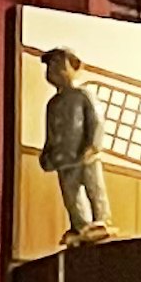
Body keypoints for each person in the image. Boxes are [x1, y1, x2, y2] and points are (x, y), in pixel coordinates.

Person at [37, 46, 109, 240]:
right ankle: (80, 225)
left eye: (58, 65)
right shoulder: (53, 103)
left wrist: (94, 145)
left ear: (73, 66)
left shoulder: (84, 95)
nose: (53, 71)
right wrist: (48, 152)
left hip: (85, 154)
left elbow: (96, 120)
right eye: (50, 67)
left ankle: (100, 220)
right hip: (64, 157)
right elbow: (51, 132)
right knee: (71, 194)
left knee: (94, 188)